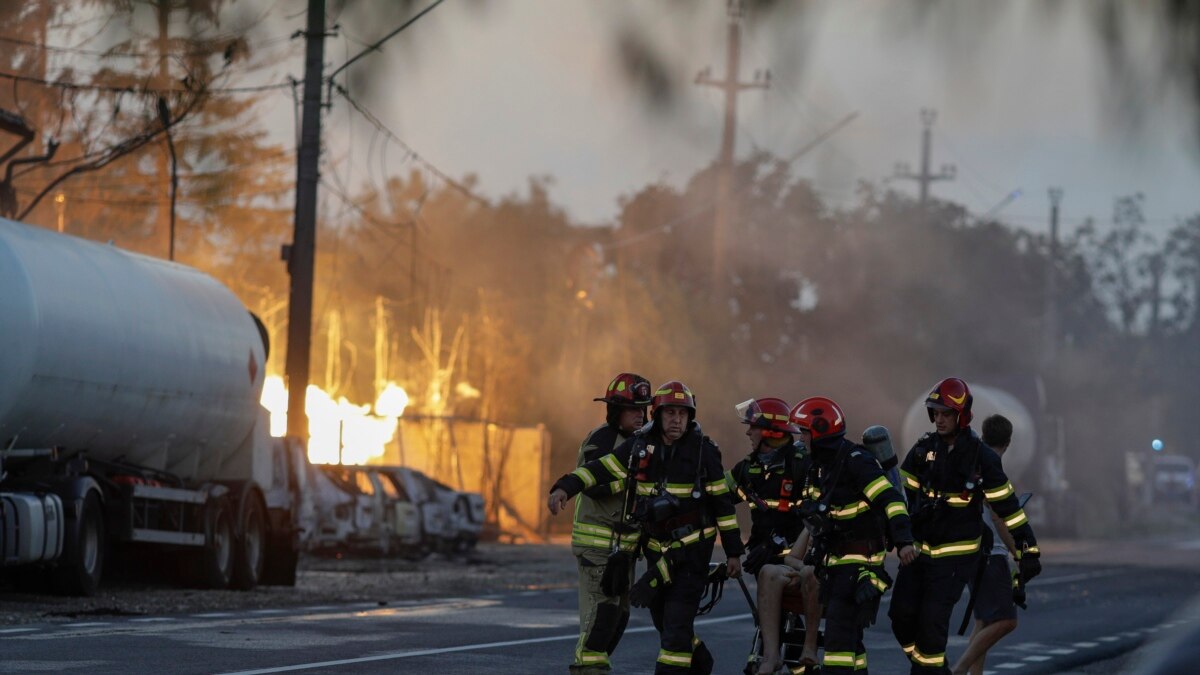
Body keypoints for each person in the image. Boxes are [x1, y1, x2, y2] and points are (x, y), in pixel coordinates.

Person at [548, 380, 744, 674]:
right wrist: (565, 487)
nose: (677, 420)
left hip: (691, 554)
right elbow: (601, 469)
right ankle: (701, 663)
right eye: (670, 413)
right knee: (664, 621)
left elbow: (722, 507)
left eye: (683, 414)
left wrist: (733, 553)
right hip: (656, 555)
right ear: (658, 414)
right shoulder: (640, 446)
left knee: (676, 628)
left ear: (691, 417)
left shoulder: (704, 452)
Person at [890, 378, 1041, 675]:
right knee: (901, 616)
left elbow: (1007, 508)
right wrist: (897, 535)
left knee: (932, 628)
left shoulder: (981, 457)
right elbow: (898, 498)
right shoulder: (923, 449)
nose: (940, 419)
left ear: (962, 415)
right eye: (936, 413)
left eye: (947, 413)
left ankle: (931, 669)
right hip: (918, 555)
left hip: (954, 561)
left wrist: (1029, 549)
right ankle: (932, 667)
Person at [780, 396, 916, 674]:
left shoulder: (857, 462)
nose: (800, 439)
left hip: (859, 569)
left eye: (804, 433)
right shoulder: (820, 467)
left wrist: (903, 542)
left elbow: (891, 500)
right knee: (852, 645)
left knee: (837, 650)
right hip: (835, 567)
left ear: (819, 432)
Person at [565, 373, 653, 674]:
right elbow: (593, 484)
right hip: (597, 547)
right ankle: (586, 669)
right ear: (615, 411)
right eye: (633, 410)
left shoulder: (641, 443)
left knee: (618, 618)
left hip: (623, 550)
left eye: (643, 408)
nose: (640, 415)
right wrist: (632, 482)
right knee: (600, 620)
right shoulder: (602, 440)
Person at [951, 414, 1021, 675]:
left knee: (983, 621)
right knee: (1006, 621)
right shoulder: (993, 470)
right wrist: (1018, 553)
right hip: (989, 553)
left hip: (968, 550)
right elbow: (998, 518)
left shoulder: (971, 463)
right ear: (1009, 442)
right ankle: (960, 669)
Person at [728, 397, 806, 575]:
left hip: (798, 561)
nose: (748, 433)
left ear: (771, 432)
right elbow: (718, 493)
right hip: (761, 558)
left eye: (753, 427)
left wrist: (778, 544)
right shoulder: (748, 467)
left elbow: (813, 520)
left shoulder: (801, 466)